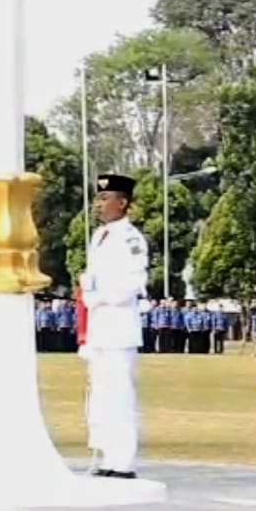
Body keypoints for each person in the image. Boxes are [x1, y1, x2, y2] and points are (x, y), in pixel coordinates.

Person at [78, 174, 149, 479]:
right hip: (100, 326)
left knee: (120, 393)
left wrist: (100, 297)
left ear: (123, 203)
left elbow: (133, 282)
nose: (99, 204)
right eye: (98, 198)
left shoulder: (131, 238)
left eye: (106, 198)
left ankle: (124, 460)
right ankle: (107, 455)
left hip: (119, 324)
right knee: (102, 394)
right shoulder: (99, 236)